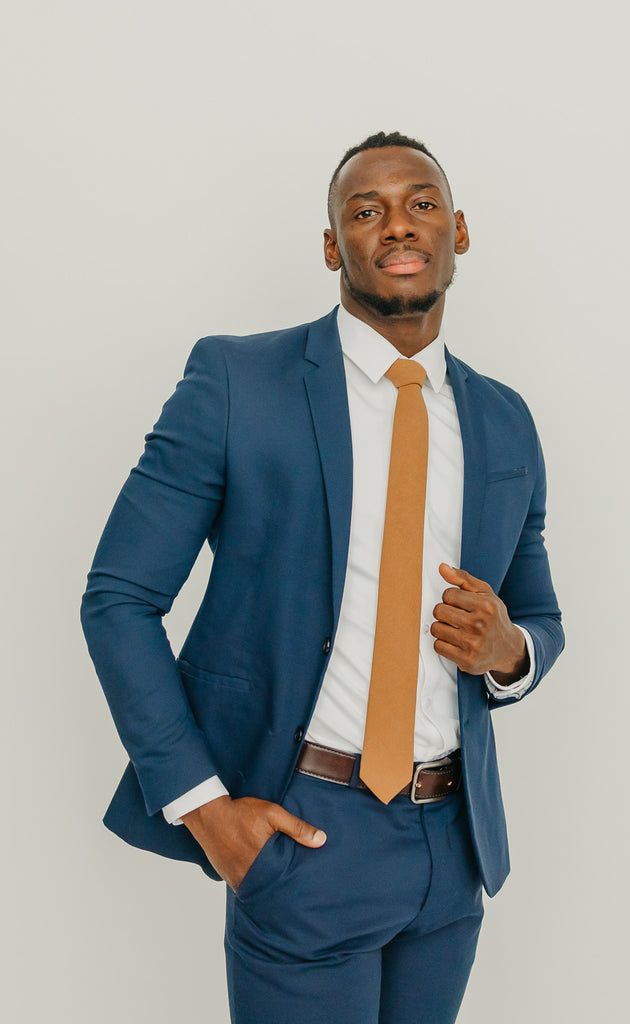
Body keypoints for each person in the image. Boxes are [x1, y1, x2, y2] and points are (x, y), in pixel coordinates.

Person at [81, 130, 564, 1024]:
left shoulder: (503, 420)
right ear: (331, 246)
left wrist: (509, 652)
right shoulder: (237, 381)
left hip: (451, 848)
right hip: (302, 833)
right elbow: (118, 599)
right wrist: (205, 808)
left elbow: (536, 612)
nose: (396, 224)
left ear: (457, 230)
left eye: (419, 203)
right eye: (364, 209)